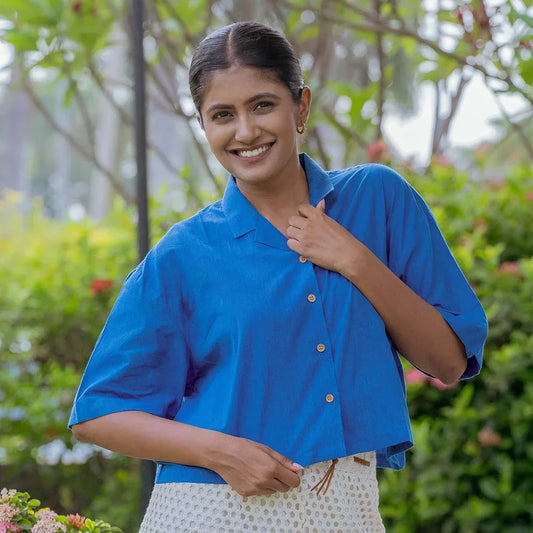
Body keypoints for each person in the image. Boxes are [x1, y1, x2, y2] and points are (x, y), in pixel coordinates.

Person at [69, 21, 488, 533]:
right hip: (213, 509)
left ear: (301, 106)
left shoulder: (377, 199)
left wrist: (355, 259)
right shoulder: (183, 254)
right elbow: (99, 411)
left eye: (263, 105)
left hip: (348, 506)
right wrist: (223, 451)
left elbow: (446, 361)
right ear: (204, 126)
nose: (245, 132)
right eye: (223, 115)